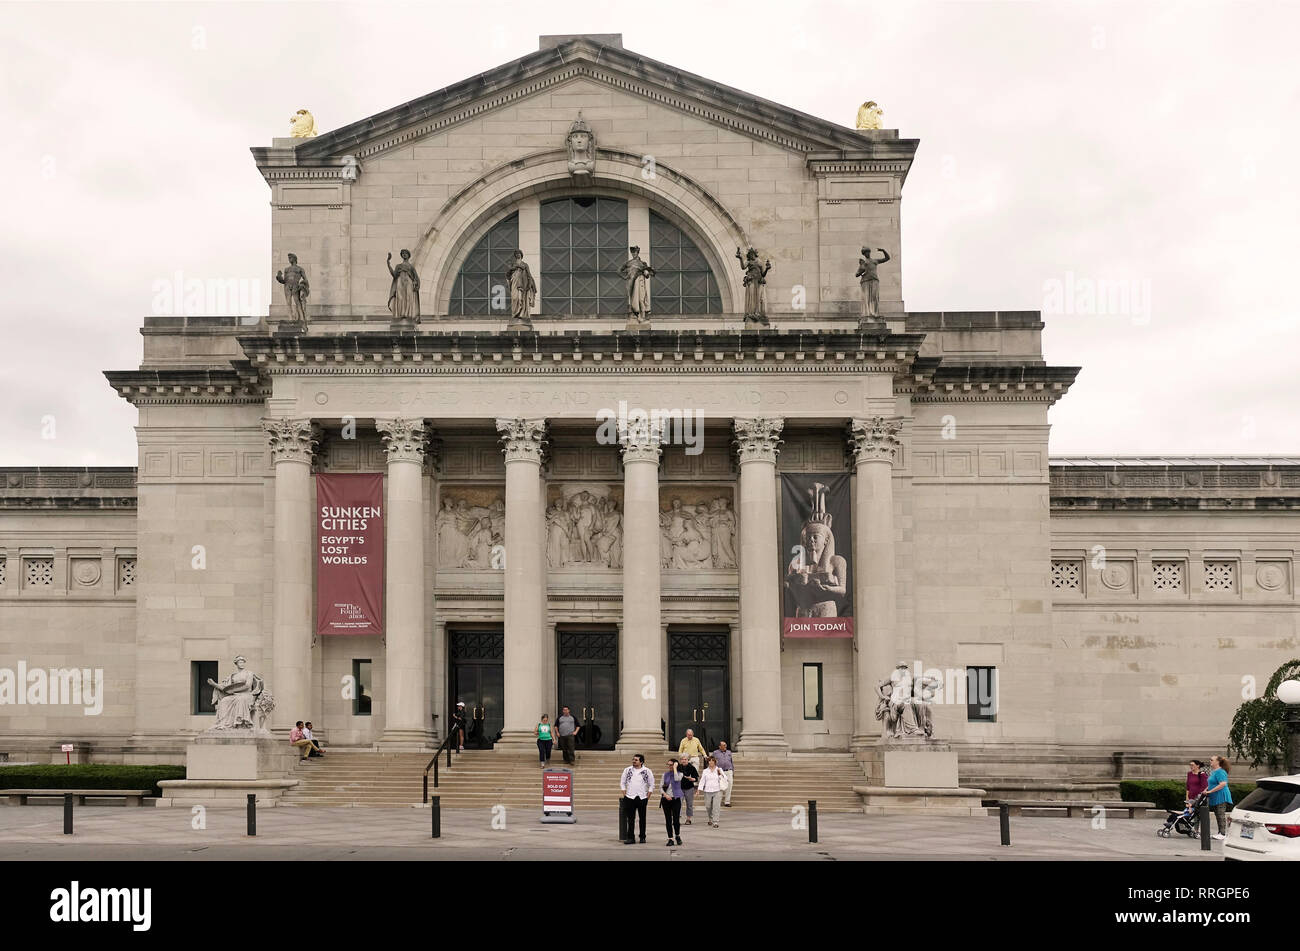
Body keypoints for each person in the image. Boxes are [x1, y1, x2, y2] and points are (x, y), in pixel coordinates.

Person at [619, 754, 653, 844]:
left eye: (636, 760)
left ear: (641, 762)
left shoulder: (647, 771)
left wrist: (648, 796)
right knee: (630, 819)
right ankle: (631, 838)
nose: (634, 761)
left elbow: (651, 784)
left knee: (642, 818)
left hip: (642, 797)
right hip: (630, 797)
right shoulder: (627, 770)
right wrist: (624, 793)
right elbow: (622, 782)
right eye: (633, 759)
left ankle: (642, 837)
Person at [1205, 754, 1233, 840]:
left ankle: (1223, 833)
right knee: (1217, 814)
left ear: (1217, 762)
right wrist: (1206, 790)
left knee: (1220, 814)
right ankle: (1220, 832)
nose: (1210, 761)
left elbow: (1223, 784)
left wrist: (1210, 791)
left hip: (1221, 795)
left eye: (1212, 760)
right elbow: (1211, 783)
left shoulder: (1221, 771)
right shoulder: (1214, 771)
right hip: (1215, 795)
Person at [660, 756, 684, 846]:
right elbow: (661, 787)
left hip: (676, 799)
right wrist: (665, 795)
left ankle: (677, 835)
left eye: (671, 765)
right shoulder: (664, 774)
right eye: (668, 765)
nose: (669, 766)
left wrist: (675, 768)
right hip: (666, 799)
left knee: (676, 819)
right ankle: (670, 838)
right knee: (668, 819)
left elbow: (677, 779)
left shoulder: (680, 774)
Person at [698, 755, 725, 828]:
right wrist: (699, 789)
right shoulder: (705, 771)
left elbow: (725, 778)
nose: (711, 762)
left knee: (716, 806)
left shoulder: (719, 769)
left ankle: (715, 821)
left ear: (715, 762)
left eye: (712, 761)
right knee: (708, 806)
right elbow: (702, 781)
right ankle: (710, 818)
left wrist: (720, 774)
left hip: (717, 790)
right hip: (707, 790)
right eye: (710, 761)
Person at [711, 740, 734, 807]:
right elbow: (712, 762)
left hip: (729, 771)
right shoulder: (715, 753)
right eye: (723, 745)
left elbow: (731, 761)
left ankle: (727, 801)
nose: (725, 746)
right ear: (719, 746)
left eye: (725, 745)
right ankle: (718, 801)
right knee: (720, 786)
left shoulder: (729, 752)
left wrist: (733, 770)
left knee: (729, 786)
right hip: (720, 771)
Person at [678, 755, 699, 825]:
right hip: (680, 788)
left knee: (689, 804)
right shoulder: (678, 767)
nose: (684, 761)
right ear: (680, 760)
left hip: (689, 788)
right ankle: (677, 818)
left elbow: (696, 778)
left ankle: (688, 819)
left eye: (685, 759)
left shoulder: (692, 768)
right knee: (678, 804)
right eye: (682, 759)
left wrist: (691, 779)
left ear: (688, 760)